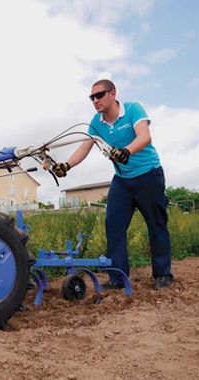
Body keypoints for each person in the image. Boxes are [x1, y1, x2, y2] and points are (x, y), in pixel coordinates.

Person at [53, 79, 173, 290]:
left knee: (156, 224)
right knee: (114, 225)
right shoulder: (96, 122)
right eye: (92, 97)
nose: (95, 100)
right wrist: (67, 165)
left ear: (113, 94)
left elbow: (144, 136)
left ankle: (163, 274)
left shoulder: (133, 109)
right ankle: (118, 277)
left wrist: (126, 151)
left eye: (99, 95)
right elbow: (85, 147)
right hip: (122, 180)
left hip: (148, 175)